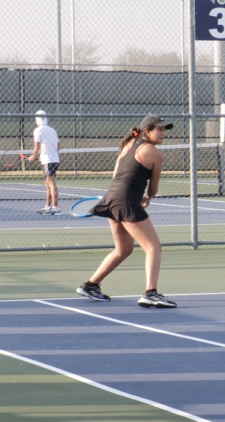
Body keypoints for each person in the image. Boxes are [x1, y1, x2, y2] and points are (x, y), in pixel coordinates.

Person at [76, 115, 177, 308]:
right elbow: (153, 188)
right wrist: (146, 197)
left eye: (165, 130)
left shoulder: (128, 143)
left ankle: (90, 286)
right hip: (125, 200)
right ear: (147, 131)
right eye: (160, 129)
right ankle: (151, 293)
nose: (163, 133)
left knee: (124, 249)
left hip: (112, 197)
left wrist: (131, 195)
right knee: (153, 246)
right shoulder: (154, 152)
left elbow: (117, 175)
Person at [27, 110, 61, 215]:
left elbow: (37, 146)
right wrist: (43, 155)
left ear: (36, 120)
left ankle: (56, 208)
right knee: (47, 184)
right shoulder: (52, 130)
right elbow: (58, 146)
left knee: (51, 183)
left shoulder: (38, 130)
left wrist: (33, 156)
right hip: (52, 159)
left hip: (49, 160)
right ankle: (47, 206)